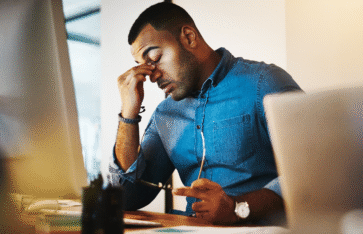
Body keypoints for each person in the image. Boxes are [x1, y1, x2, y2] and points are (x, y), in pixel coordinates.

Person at [108, 2, 301, 225]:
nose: (151, 76)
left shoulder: (264, 83)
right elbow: (127, 198)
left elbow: (312, 171)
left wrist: (236, 207)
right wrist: (128, 115)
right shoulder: (165, 115)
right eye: (143, 66)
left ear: (189, 37)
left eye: (155, 58)